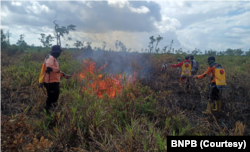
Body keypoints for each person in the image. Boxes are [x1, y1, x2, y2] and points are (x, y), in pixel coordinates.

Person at [40, 45, 71, 114]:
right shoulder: (50, 58)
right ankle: (48, 113)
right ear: (55, 52)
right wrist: (57, 70)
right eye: (58, 52)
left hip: (54, 81)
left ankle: (52, 111)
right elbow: (49, 67)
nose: (59, 54)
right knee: (51, 98)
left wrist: (64, 74)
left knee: (55, 97)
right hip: (50, 82)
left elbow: (55, 71)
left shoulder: (54, 58)